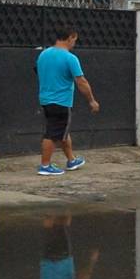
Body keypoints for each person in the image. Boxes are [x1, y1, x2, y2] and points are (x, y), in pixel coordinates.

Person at [37, 26, 99, 176]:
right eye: (74, 40)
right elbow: (81, 81)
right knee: (52, 133)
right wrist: (91, 100)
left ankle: (71, 160)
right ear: (70, 37)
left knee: (62, 130)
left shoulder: (43, 54)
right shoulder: (70, 58)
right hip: (61, 101)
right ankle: (45, 165)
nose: (74, 43)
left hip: (45, 99)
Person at [39, 214, 100, 279]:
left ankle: (54, 205)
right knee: (55, 227)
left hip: (61, 261)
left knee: (61, 222)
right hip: (47, 264)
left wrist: (92, 262)